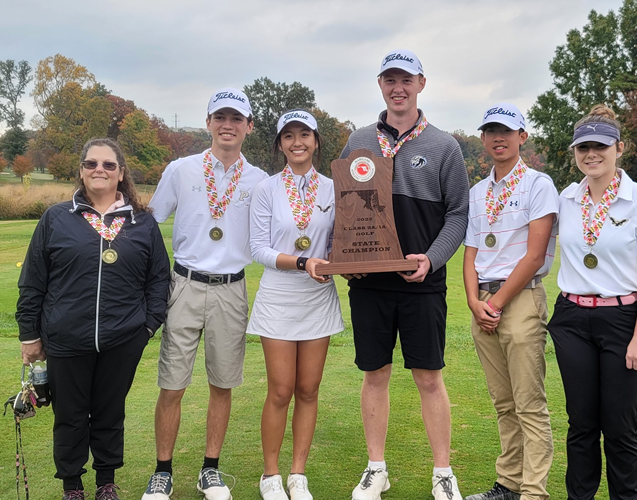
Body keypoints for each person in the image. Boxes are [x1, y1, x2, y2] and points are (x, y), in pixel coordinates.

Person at [339, 49, 469, 500]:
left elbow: (457, 215)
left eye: (406, 80)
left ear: (421, 84)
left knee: (429, 377)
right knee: (374, 374)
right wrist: (347, 260)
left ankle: (442, 473)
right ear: (380, 85)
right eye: (390, 79)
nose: (398, 87)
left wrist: (432, 259)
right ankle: (377, 469)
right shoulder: (357, 140)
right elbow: (344, 211)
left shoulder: (445, 146)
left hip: (423, 283)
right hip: (370, 285)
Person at [16, 138, 170, 500]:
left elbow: (159, 279)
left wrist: (146, 326)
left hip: (123, 338)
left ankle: (105, 482)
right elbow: (33, 280)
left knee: (109, 414)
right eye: (91, 164)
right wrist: (29, 335)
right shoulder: (57, 218)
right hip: (67, 338)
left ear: (121, 173)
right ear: (81, 172)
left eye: (108, 164)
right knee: (69, 416)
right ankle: (72, 486)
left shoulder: (142, 222)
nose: (99, 169)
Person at [142, 88, 269, 500]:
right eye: (220, 117)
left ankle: (209, 470)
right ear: (209, 122)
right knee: (172, 385)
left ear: (249, 127)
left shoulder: (260, 180)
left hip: (231, 288)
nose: (227, 125)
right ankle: (163, 471)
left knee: (222, 383)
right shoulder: (181, 169)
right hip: (184, 285)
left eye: (237, 119)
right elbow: (148, 225)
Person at [547, 105, 637, 500]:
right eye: (583, 147)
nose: (591, 154)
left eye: (600, 146)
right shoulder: (566, 198)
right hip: (571, 318)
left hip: (623, 319)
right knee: (581, 424)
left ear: (619, 147)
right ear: (575, 152)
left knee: (619, 427)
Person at [462, 104, 558, 500]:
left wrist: (496, 302)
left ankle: (533, 492)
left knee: (529, 405)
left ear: (522, 136)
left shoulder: (539, 184)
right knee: (504, 403)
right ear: (483, 139)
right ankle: (508, 484)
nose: (498, 138)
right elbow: (469, 253)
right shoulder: (477, 191)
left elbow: (535, 255)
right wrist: (473, 301)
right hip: (483, 300)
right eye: (491, 131)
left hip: (519, 298)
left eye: (507, 131)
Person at [247, 109, 344, 500]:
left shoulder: (333, 187)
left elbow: (343, 238)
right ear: (280, 144)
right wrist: (304, 262)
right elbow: (259, 249)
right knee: (281, 390)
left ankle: (297, 474)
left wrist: (343, 259)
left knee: (308, 388)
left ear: (317, 141)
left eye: (305, 134)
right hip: (278, 296)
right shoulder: (267, 189)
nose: (297, 142)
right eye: (289, 136)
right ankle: (270, 475)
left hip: (318, 296)